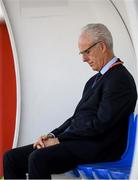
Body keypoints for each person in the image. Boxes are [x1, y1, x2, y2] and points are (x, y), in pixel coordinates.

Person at [3, 23, 137, 179]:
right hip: (82, 142)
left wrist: (59, 140)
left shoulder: (119, 79)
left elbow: (101, 124)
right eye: (81, 53)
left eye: (87, 52)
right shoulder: (95, 79)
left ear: (102, 46)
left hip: (101, 147)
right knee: (11, 158)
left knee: (38, 158)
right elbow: (76, 118)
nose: (84, 59)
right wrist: (51, 135)